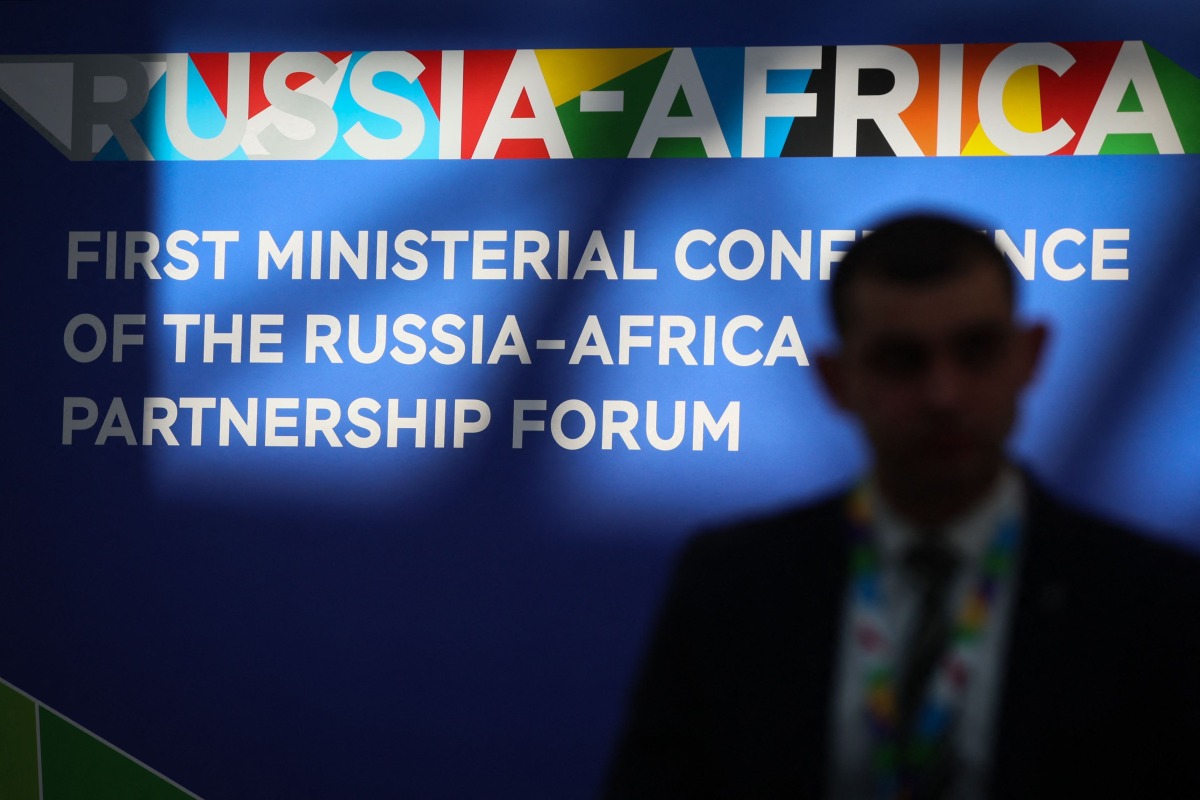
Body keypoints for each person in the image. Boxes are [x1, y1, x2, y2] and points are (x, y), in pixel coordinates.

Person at [604, 213, 1200, 799]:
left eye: (977, 351)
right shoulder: (732, 583)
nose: (943, 394)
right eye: (901, 360)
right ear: (836, 380)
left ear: (1031, 355)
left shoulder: (1154, 598)